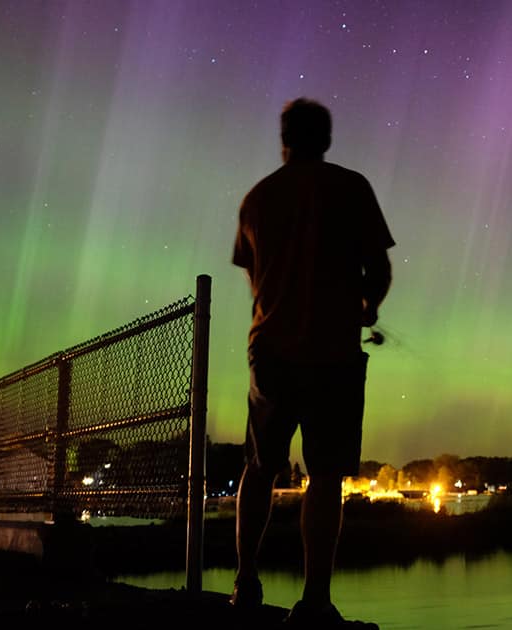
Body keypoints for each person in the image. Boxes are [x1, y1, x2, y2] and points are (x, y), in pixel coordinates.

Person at [230, 98, 394, 628]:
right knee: (325, 477)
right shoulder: (352, 187)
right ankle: (315, 601)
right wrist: (367, 305)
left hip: (270, 351)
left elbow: (254, 278)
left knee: (258, 467)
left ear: (284, 139)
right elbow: (380, 269)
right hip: (333, 354)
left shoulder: (257, 199)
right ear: (326, 139)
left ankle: (245, 581)